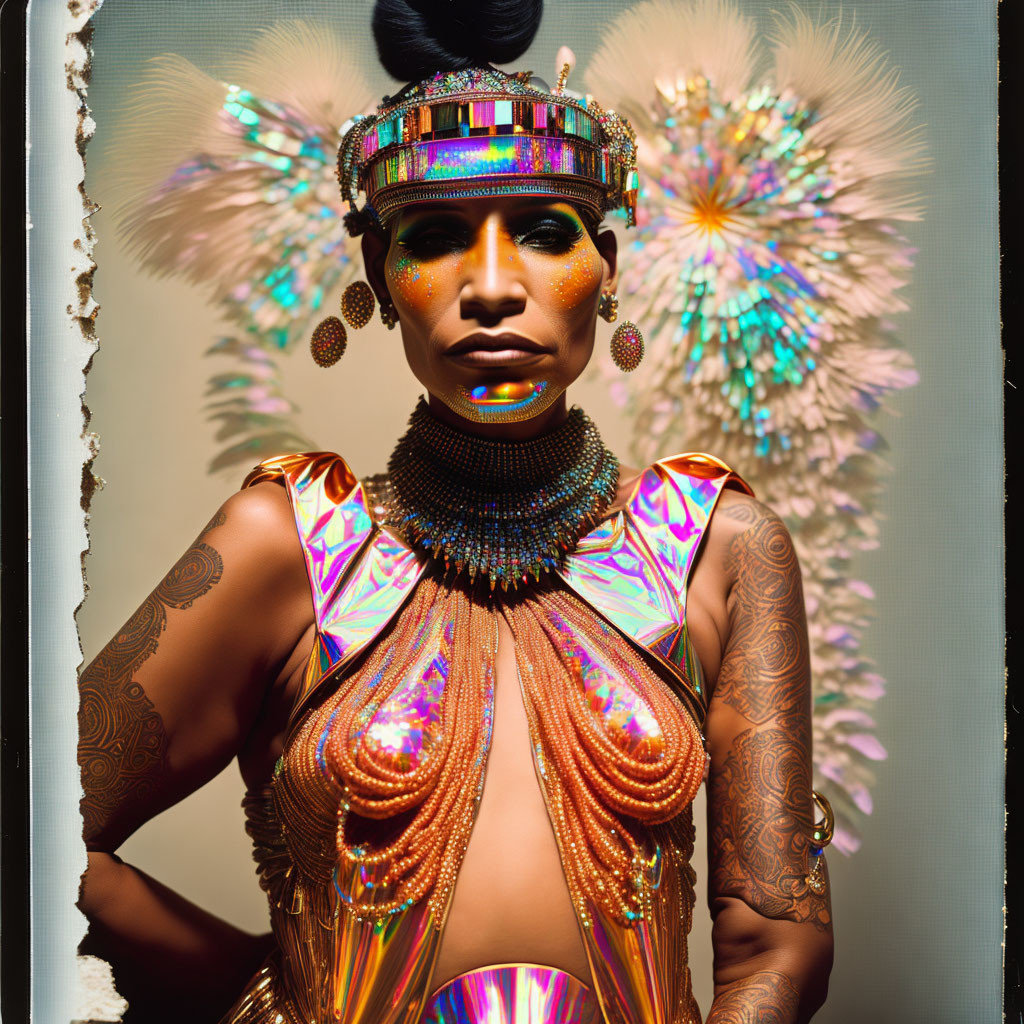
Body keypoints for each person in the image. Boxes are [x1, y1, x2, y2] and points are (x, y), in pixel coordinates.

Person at [77, 1, 834, 1021]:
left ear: (606, 272)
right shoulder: (292, 544)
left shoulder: (715, 546)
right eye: (434, 239)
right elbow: (30, 836)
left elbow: (776, 938)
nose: (489, 287)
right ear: (377, 284)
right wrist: (263, 994)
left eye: (540, 233)